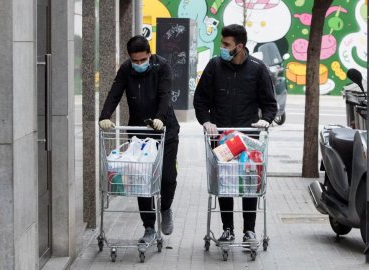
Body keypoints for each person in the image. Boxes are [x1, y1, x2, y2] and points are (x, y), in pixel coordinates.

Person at [193, 24, 277, 243]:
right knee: (225, 183)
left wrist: (265, 121)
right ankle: (227, 228)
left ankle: (249, 230)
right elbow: (200, 99)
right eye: (222, 43)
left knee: (249, 184)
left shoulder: (258, 69)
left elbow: (269, 103)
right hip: (221, 137)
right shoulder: (214, 66)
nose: (222, 47)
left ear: (239, 47)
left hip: (248, 138)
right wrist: (206, 121)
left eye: (226, 44)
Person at [99, 35, 180, 244]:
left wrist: (160, 118)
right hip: (139, 132)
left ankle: (166, 208)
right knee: (141, 180)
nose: (138, 65)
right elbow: (115, 91)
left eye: (142, 60)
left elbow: (165, 94)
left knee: (167, 177)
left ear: (149, 55)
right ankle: (148, 227)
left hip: (165, 130)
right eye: (134, 61)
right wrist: (104, 116)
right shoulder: (126, 69)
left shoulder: (162, 67)